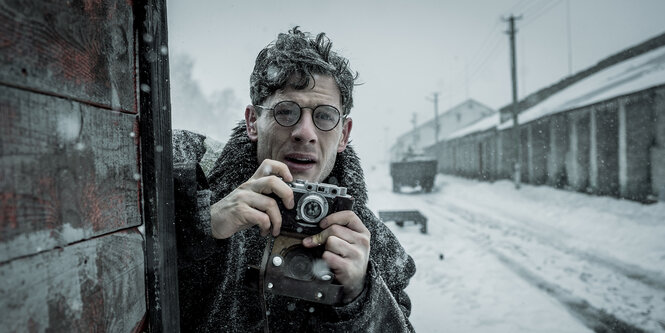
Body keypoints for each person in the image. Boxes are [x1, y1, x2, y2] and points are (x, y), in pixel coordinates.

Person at [173, 27, 416, 332]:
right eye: (286, 112)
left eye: (325, 116)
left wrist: (359, 296)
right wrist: (201, 228)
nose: (305, 133)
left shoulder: (370, 244)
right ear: (253, 122)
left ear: (344, 134)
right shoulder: (190, 186)